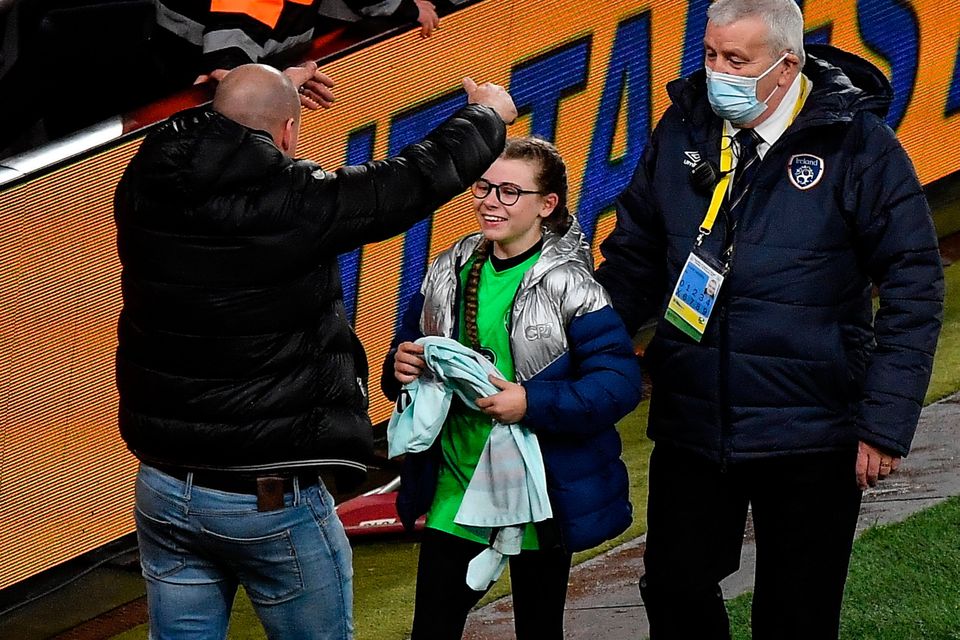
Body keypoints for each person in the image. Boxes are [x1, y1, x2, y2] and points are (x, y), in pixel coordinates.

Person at [113, 63, 516, 639]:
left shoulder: (148, 172)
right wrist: (486, 118)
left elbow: (216, 121)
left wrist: (268, 90)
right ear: (286, 132)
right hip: (268, 499)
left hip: (165, 486)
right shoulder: (292, 202)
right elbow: (406, 182)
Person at [594, 0, 945, 638]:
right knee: (673, 589)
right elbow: (633, 261)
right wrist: (580, 355)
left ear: (786, 67)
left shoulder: (859, 145)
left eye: (736, 60)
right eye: (708, 54)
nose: (716, 71)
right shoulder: (683, 128)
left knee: (797, 614)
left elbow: (914, 286)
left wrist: (885, 422)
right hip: (694, 419)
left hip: (812, 425)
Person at [382, 137, 643, 639]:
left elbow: (618, 384)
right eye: (483, 186)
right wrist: (402, 369)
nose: (489, 201)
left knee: (538, 630)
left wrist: (533, 402)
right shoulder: (447, 266)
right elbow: (407, 355)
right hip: (455, 484)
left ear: (547, 206)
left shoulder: (573, 285)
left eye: (508, 191)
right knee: (431, 628)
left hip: (537, 491)